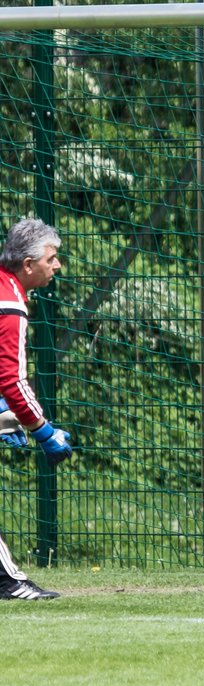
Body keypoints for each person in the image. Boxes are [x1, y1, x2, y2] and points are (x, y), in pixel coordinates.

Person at [0, 217, 75, 600]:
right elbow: (11, 380)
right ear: (28, 265)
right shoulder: (9, 302)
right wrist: (43, 432)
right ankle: (8, 581)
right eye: (52, 258)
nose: (57, 265)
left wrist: (4, 415)